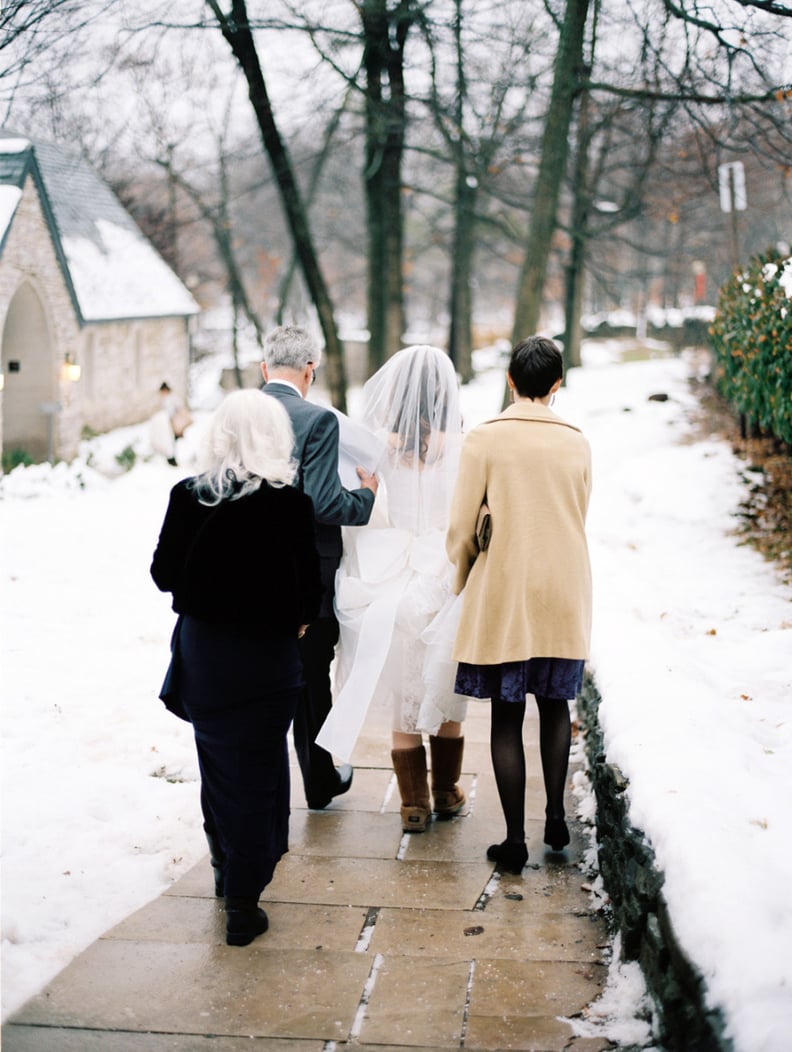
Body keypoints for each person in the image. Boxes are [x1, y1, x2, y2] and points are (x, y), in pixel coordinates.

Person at [150, 389, 322, 945]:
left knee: (218, 765)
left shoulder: (188, 496)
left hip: (208, 658)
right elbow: (308, 595)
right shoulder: (290, 505)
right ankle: (243, 898)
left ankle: (228, 868)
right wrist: (290, 618)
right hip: (268, 662)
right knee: (259, 767)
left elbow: (163, 573)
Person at [446, 336, 592, 873]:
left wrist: (463, 576)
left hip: (506, 588)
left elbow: (463, 525)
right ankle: (555, 817)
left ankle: (513, 841)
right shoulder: (578, 442)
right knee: (555, 705)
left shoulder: (485, 439)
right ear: (557, 385)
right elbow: (580, 510)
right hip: (563, 588)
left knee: (507, 716)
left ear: (510, 380)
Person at [317, 345, 469, 833]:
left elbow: (364, 511)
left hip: (394, 581)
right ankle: (446, 793)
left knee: (403, 698)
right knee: (445, 693)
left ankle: (412, 806)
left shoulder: (378, 447)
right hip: (444, 579)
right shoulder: (462, 448)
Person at [261, 325, 378, 810]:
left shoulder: (240, 416)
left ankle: (268, 787)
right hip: (309, 570)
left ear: (264, 369)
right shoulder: (317, 420)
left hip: (249, 567)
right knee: (312, 678)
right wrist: (366, 494)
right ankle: (319, 779)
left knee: (261, 678)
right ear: (310, 370)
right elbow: (325, 503)